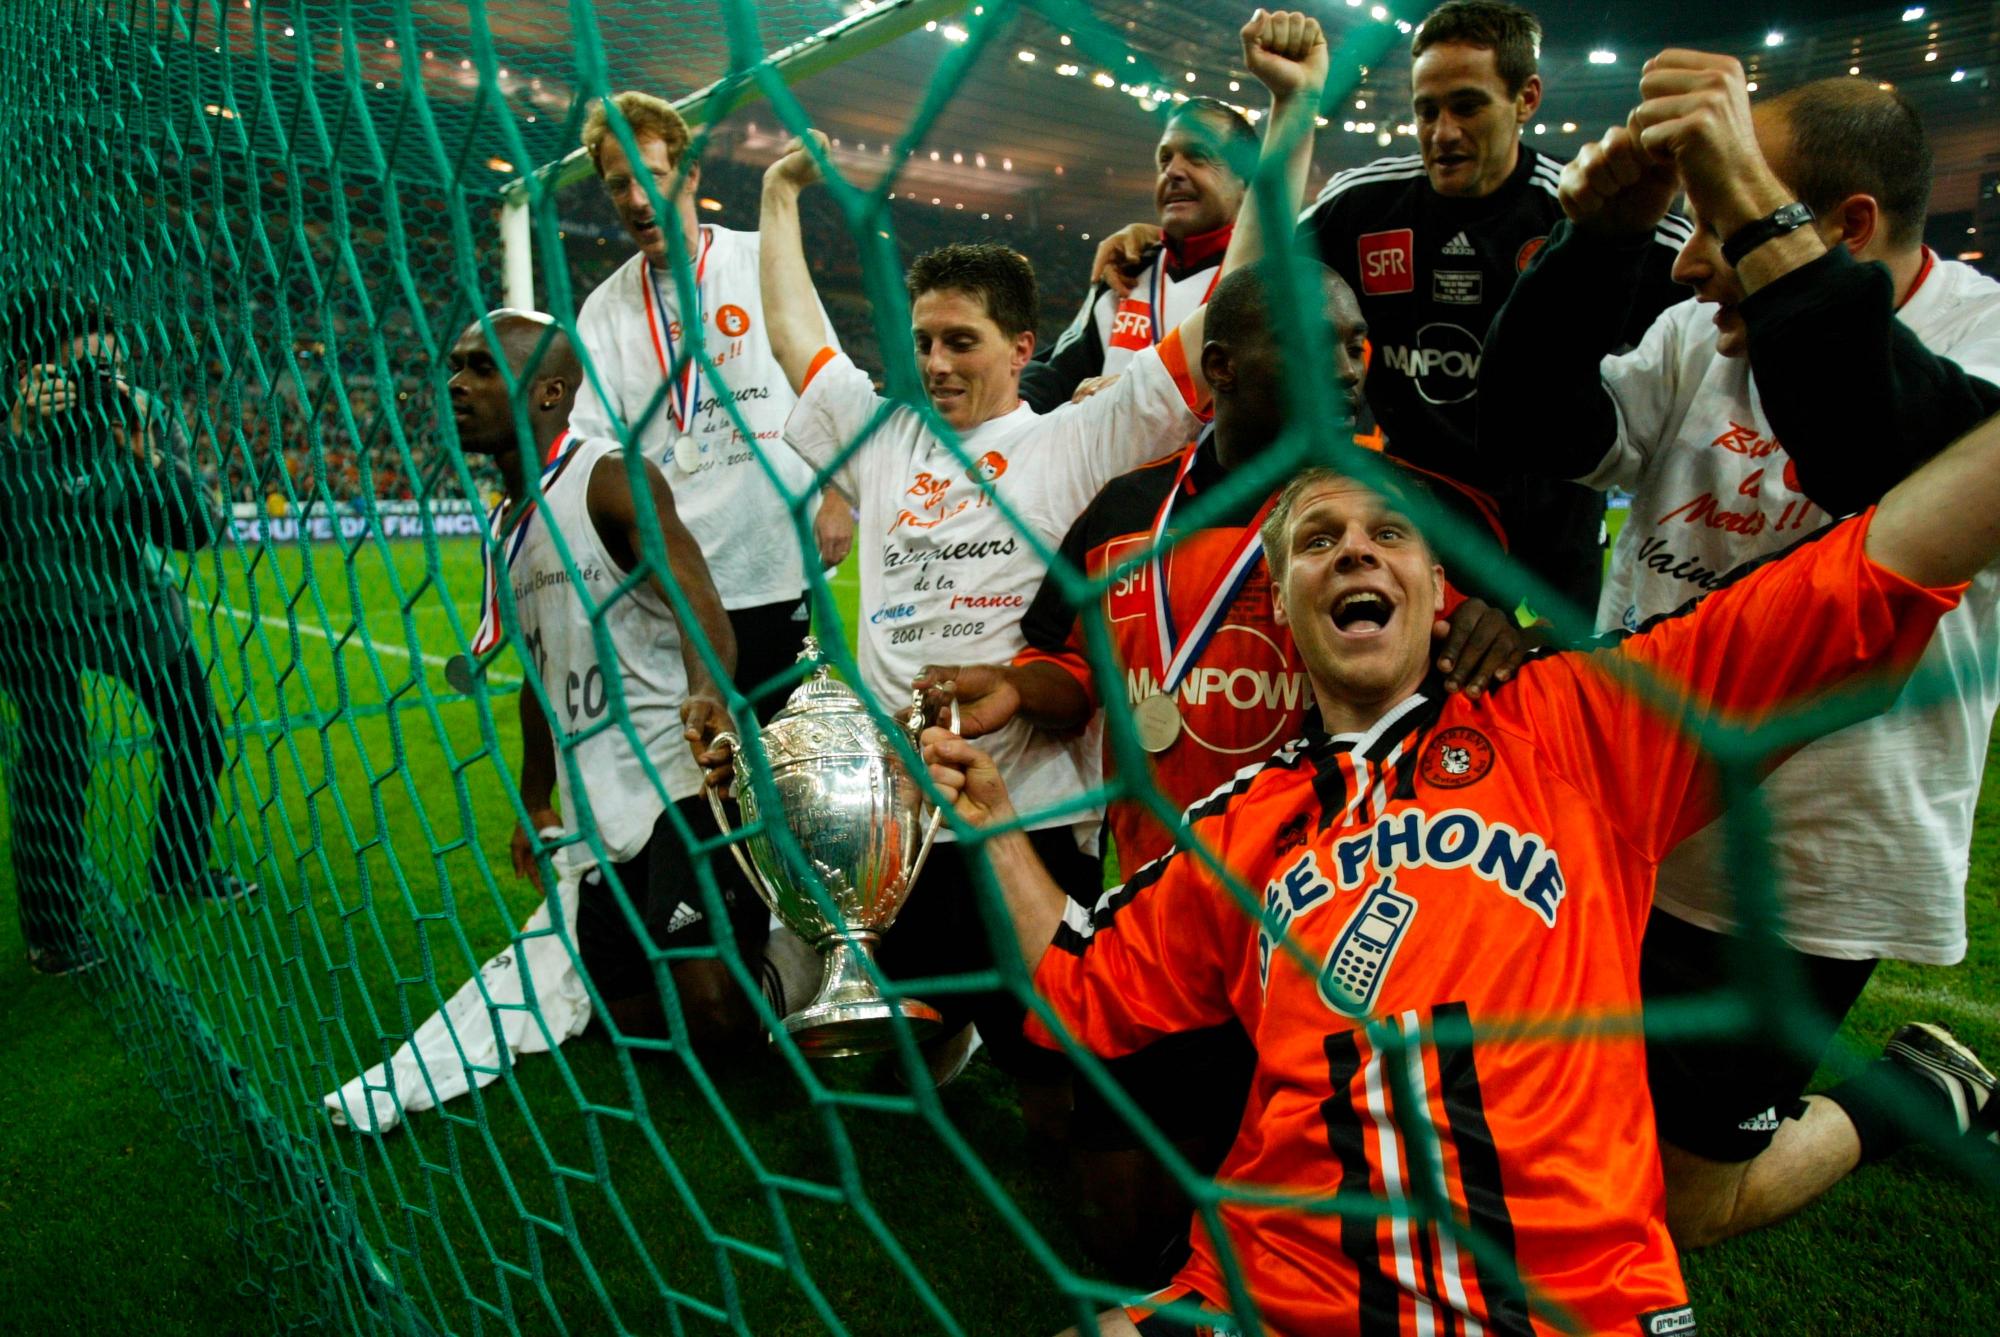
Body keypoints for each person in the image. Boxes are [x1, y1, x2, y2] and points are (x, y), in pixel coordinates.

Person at [920, 393, 2000, 1334]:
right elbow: (1079, 986)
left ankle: (1903, 1098)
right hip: (1267, 1293)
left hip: (1566, 1296)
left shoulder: (1580, 725)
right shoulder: (1239, 827)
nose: (1350, 548)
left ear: (1440, 593)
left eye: (1387, 531)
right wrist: (991, 817)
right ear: (1285, 610)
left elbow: (1870, 571)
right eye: (1314, 540)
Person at [727, 11, 1329, 1089]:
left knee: (1059, 1078)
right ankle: (930, 1007)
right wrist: (775, 199)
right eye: (919, 341)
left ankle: (996, 1026)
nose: (936, 364)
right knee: (860, 1035)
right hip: (892, 816)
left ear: (1019, 344)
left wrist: (1289, 113)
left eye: (959, 341)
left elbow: (1233, 301)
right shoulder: (884, 439)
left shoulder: (1078, 438)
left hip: (1032, 802)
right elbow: (792, 335)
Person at [919, 261, 1530, 1286]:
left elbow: (1490, 661)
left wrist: (1491, 636)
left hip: (1339, 940)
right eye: (1309, 341)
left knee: (1330, 1234)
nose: (1347, 366)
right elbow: (1073, 660)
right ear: (1221, 369)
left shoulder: (1400, 517)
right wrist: (1020, 689)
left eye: (1352, 343)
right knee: (1116, 1232)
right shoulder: (1122, 511)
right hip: (1163, 921)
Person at [1477, 57, 2000, 1246]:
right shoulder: (1687, 336)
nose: (1687, 260)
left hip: (1811, 871)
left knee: (1674, 1203)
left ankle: (1910, 1089)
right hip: (1619, 817)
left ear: (1844, 226)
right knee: (1537, 1135)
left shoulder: (1985, 341)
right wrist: (1594, 245)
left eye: (1709, 221)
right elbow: (1524, 427)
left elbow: (1871, 456)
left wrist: (1756, 228)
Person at [446, 310, 808, 1053]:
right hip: (594, 816)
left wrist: (708, 690)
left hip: (672, 789)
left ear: (549, 392)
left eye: (482, 368)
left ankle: (816, 947)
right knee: (632, 1027)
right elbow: (537, 675)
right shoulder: (505, 524)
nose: (456, 383)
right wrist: (535, 798)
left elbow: (701, 603)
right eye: (456, 365)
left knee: (716, 1023)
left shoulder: (610, 480)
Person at [1299, 0, 1691, 613]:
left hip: (1554, 536)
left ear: (1526, 98)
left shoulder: (1588, 212)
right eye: (1426, 110)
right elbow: (1246, 284)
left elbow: (1718, 287)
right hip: (1422, 527)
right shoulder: (1361, 207)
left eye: (1467, 105)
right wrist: (1154, 249)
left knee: (1554, 700)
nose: (1442, 132)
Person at [568, 91, 854, 724]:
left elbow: (827, 378)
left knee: (795, 773)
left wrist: (839, 493)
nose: (638, 201)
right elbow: (594, 455)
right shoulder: (604, 312)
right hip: (681, 590)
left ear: (690, 172)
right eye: (620, 186)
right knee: (707, 785)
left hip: (779, 565)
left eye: (653, 178)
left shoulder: (761, 261)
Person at [0, 290, 251, 975]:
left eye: (112, 369)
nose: (102, 387)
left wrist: (147, 456)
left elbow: (197, 531)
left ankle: (179, 867)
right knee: (57, 758)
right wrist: (19, 434)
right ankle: (53, 930)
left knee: (196, 732)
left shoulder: (141, 414)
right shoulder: (12, 426)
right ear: (31, 369)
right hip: (31, 609)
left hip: (133, 597)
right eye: (84, 373)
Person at [1021, 98, 1256, 413]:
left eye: (1198, 157)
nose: (1172, 172)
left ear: (1246, 181)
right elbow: (1054, 377)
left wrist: (1134, 395)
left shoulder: (1268, 283)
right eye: (1164, 159)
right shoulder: (1127, 270)